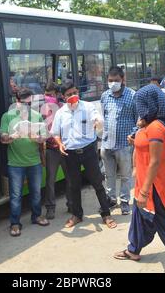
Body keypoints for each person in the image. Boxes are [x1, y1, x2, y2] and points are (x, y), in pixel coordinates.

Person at [113, 84, 165, 273]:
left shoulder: (157, 127)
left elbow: (155, 161)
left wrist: (144, 191)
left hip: (156, 185)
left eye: (141, 104)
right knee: (139, 219)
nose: (139, 108)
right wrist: (137, 141)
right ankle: (133, 250)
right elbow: (147, 148)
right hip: (145, 180)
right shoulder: (149, 123)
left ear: (149, 104)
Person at [51, 82, 117, 229]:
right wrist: (60, 144)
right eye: (69, 94)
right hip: (70, 154)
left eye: (75, 92)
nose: (73, 96)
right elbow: (55, 133)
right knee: (73, 185)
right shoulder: (60, 113)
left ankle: (106, 214)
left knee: (97, 183)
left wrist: (98, 122)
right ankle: (77, 215)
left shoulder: (88, 107)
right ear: (63, 97)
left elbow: (98, 119)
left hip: (88, 151)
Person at [0, 88, 50, 237]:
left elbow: (45, 135)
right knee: (16, 195)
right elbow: (2, 138)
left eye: (30, 103)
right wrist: (11, 136)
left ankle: (36, 216)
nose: (27, 107)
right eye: (24, 103)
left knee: (36, 192)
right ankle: (15, 223)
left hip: (34, 161)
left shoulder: (36, 116)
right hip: (15, 163)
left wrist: (39, 138)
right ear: (17, 101)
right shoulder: (7, 116)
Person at [100, 66, 138, 215]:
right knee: (108, 175)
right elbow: (104, 117)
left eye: (116, 80)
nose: (113, 83)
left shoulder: (132, 95)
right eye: (110, 80)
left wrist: (133, 136)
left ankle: (124, 202)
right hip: (107, 143)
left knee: (125, 176)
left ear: (123, 80)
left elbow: (138, 119)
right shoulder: (105, 96)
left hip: (124, 144)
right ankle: (110, 200)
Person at [41, 82, 72, 219]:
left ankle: (72, 204)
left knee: (70, 178)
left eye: (51, 95)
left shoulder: (64, 107)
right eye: (47, 95)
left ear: (57, 95)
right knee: (50, 181)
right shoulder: (42, 108)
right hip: (51, 149)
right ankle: (50, 208)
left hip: (65, 147)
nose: (48, 98)